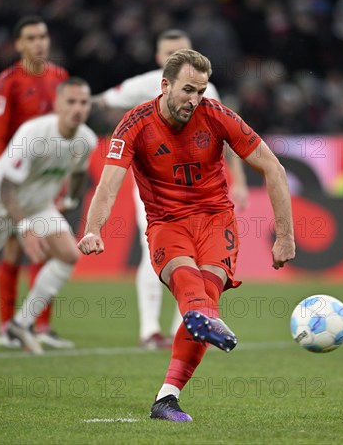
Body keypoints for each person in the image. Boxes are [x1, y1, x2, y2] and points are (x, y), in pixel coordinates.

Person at [78, 50, 295, 421]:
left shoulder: (217, 115)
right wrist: (93, 229)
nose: (194, 100)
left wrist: (285, 236)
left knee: (204, 296)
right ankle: (201, 316)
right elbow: (109, 183)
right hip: (167, 221)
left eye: (201, 91)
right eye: (187, 90)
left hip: (215, 220)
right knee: (188, 283)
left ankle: (166, 398)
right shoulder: (135, 124)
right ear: (165, 86)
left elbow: (273, 168)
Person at [92, 29, 249, 350]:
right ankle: (150, 329)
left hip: (200, 192)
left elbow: (229, 137)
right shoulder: (143, 85)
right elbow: (99, 102)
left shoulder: (208, 91)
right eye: (168, 54)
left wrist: (240, 180)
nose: (174, 58)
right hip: (156, 190)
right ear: (159, 61)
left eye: (180, 51)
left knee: (199, 260)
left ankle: (188, 326)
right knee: (160, 253)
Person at [0, 78, 97, 354]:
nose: (78, 108)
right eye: (71, 102)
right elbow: (7, 186)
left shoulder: (86, 140)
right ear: (57, 104)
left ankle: (21, 325)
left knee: (69, 255)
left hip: (37, 206)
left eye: (83, 103)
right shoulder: (34, 132)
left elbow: (81, 171)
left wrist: (69, 199)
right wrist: (24, 227)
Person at [0, 15, 71, 349]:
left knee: (49, 249)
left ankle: (40, 327)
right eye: (32, 38)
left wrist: (61, 185)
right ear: (19, 44)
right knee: (13, 249)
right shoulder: (7, 82)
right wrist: (1, 184)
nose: (40, 43)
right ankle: (7, 326)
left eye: (43, 36)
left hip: (44, 182)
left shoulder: (60, 78)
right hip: (13, 181)